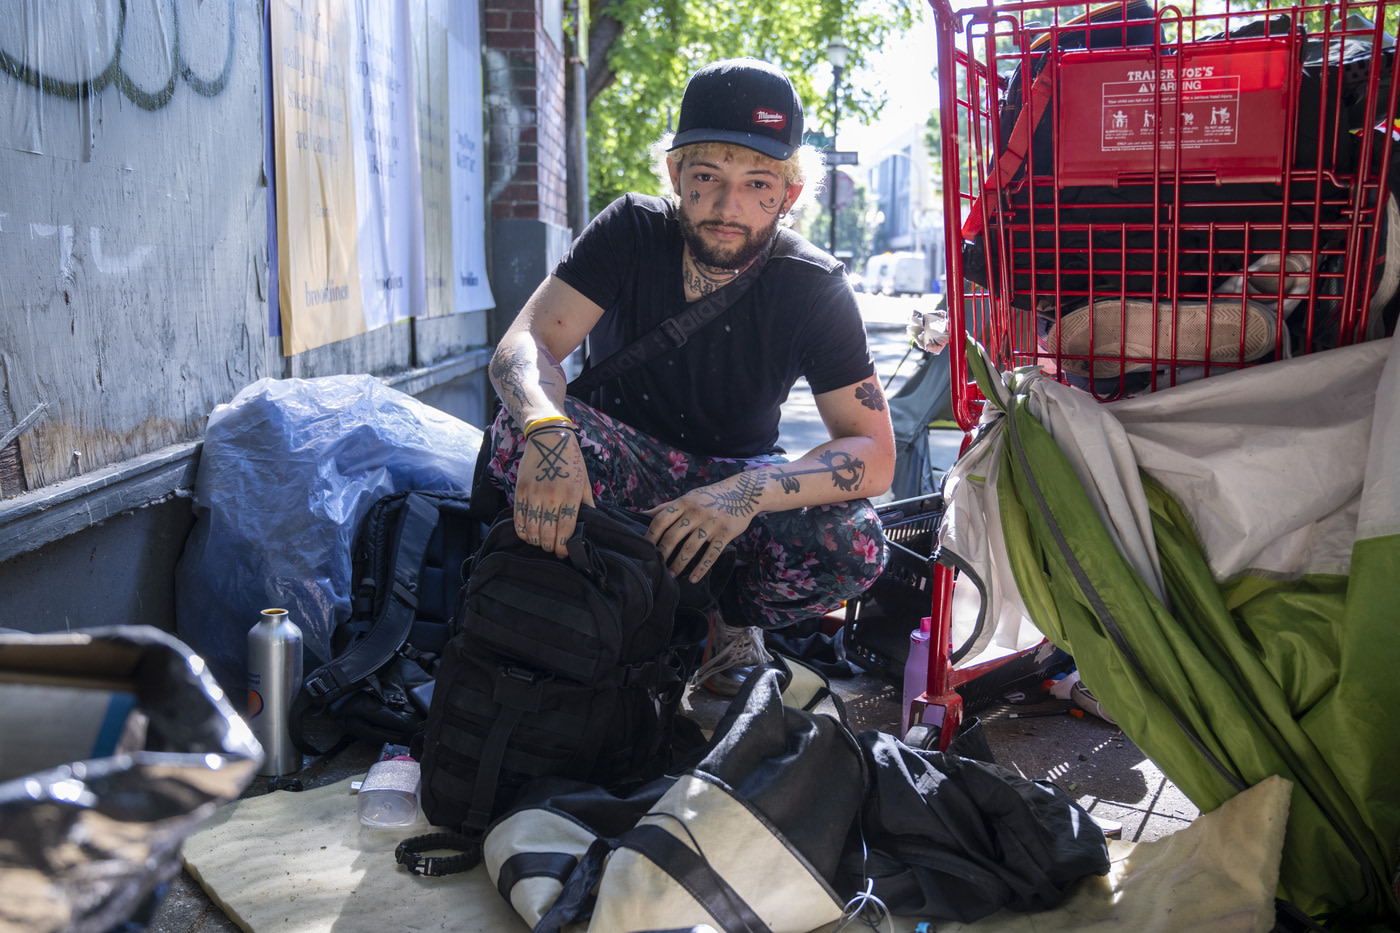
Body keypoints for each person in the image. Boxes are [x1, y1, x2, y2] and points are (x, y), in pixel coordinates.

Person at [482, 57, 896, 695]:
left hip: (735, 477)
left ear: (790, 195)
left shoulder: (815, 285)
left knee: (855, 542)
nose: (730, 207)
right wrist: (546, 429)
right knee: (514, 437)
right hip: (612, 469)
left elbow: (872, 453)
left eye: (759, 184)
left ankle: (728, 624)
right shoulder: (630, 229)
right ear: (676, 174)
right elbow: (527, 342)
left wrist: (750, 491)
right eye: (708, 176)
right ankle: (590, 614)